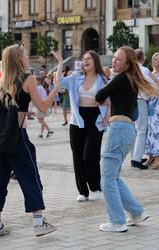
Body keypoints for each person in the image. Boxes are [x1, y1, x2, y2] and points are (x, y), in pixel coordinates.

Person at [0, 45, 60, 238]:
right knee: (29, 176)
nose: (27, 57)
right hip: (16, 137)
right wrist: (56, 88)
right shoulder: (28, 79)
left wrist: (21, 109)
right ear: (19, 59)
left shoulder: (2, 79)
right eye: (25, 55)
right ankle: (38, 222)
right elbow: (43, 107)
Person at [95, 46, 159, 232]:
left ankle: (117, 221)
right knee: (113, 176)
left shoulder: (121, 78)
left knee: (107, 178)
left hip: (119, 129)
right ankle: (137, 212)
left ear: (127, 64)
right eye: (114, 58)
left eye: (118, 59)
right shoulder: (132, 80)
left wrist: (108, 92)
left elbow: (99, 95)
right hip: (127, 129)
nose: (114, 61)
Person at [57, 50, 109, 202]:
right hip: (77, 119)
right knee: (78, 156)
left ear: (95, 61)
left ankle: (95, 187)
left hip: (96, 118)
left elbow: (110, 98)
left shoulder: (102, 79)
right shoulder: (75, 77)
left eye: (89, 58)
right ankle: (83, 191)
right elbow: (58, 81)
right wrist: (60, 63)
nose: (85, 61)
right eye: (84, 58)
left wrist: (107, 114)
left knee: (90, 155)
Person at [144, 52, 159, 169]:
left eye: (156, 59)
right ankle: (151, 156)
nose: (153, 61)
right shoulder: (152, 73)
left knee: (156, 132)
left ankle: (158, 158)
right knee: (149, 132)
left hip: (157, 107)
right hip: (149, 105)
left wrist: (149, 89)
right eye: (153, 59)